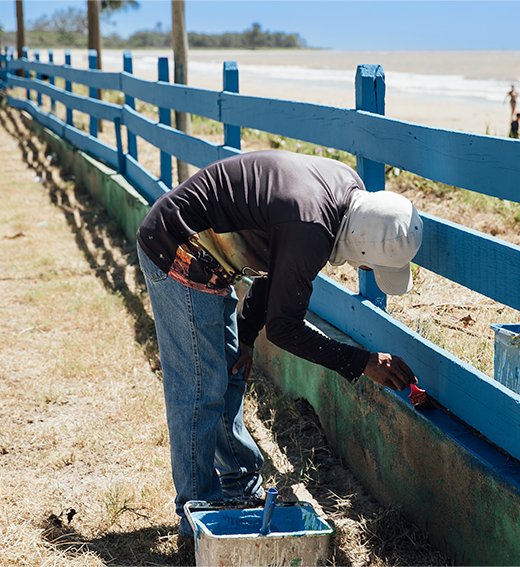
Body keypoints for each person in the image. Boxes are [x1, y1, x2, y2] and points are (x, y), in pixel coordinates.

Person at [136, 150, 422, 549]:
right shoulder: (313, 228)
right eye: (371, 266)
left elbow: (278, 264)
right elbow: (285, 328)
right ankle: (196, 518)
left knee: (228, 375)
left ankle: (240, 485)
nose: (368, 273)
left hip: (213, 258)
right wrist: (360, 361)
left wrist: (247, 335)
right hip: (178, 244)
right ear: (358, 248)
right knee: (200, 389)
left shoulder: (346, 193)